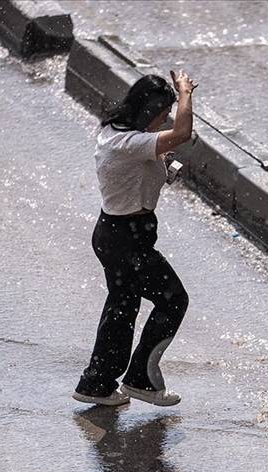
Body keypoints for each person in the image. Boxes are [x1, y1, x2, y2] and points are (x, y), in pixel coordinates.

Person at [73, 70, 198, 407]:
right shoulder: (132, 143)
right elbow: (183, 133)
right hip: (128, 241)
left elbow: (141, 167)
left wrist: (163, 163)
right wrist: (185, 93)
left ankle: (96, 383)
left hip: (113, 234)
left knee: (122, 305)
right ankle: (141, 378)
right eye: (163, 114)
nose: (165, 120)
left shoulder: (115, 132)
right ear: (149, 111)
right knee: (173, 299)